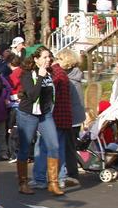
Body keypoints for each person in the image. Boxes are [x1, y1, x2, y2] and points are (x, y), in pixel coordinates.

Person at [15, 46, 64, 196]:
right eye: (44, 57)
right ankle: (23, 183)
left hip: (45, 114)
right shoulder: (27, 74)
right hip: (28, 114)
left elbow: (51, 95)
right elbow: (32, 95)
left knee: (54, 145)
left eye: (49, 57)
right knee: (24, 148)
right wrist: (41, 76)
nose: (47, 60)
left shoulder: (49, 74)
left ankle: (53, 183)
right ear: (35, 59)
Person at [57, 48, 87, 184]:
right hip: (75, 115)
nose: (57, 62)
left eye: (60, 59)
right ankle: (71, 170)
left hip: (72, 116)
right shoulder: (74, 75)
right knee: (69, 145)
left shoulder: (70, 79)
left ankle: (72, 173)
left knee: (69, 146)